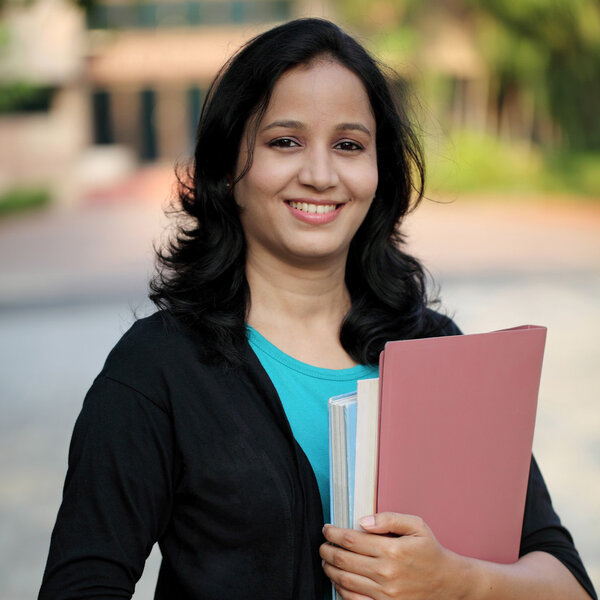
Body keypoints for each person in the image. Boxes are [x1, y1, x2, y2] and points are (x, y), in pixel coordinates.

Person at [39, 18, 596, 600]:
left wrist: (457, 581)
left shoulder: (439, 351)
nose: (321, 175)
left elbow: (566, 583)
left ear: (379, 174)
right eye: (285, 141)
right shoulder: (158, 368)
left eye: (349, 145)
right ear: (229, 168)